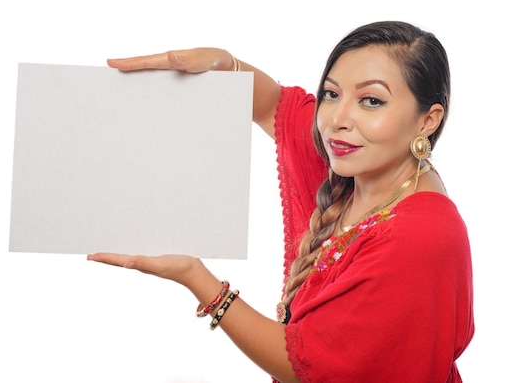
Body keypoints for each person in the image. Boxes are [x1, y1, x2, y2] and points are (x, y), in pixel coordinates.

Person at [88, 21, 475, 382]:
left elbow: (312, 364)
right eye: (332, 94)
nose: (337, 119)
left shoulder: (420, 236)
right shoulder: (358, 168)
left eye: (371, 101)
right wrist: (226, 65)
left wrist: (197, 278)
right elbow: (277, 108)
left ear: (428, 120)